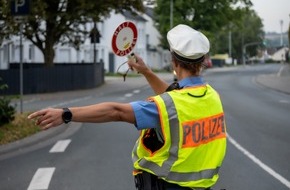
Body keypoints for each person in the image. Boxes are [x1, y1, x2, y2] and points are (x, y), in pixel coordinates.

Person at [28, 24, 227, 190]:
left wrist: (66, 114)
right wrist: (146, 71)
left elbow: (117, 112)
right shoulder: (212, 97)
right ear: (202, 62)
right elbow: (176, 95)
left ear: (174, 62)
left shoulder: (166, 106)